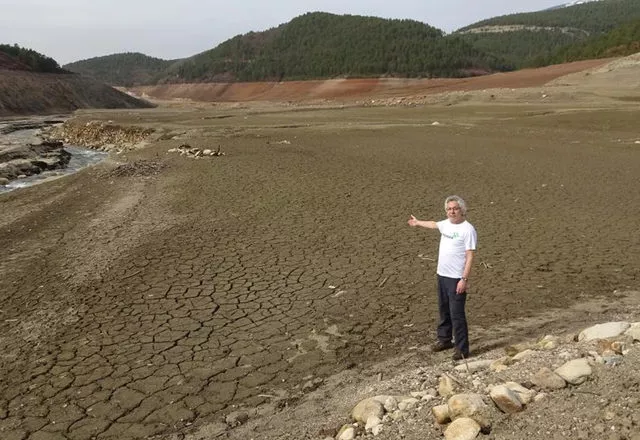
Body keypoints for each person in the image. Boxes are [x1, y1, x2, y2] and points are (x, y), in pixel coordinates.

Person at [408, 195, 477, 361]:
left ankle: (462, 349)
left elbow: (470, 256)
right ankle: (445, 340)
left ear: (462, 210)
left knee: (457, 314)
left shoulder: (468, 230)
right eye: (449, 209)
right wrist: (418, 223)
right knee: (444, 311)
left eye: (455, 208)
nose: (452, 211)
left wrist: (464, 279)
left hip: (456, 279)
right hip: (442, 275)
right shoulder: (445, 224)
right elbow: (433, 224)